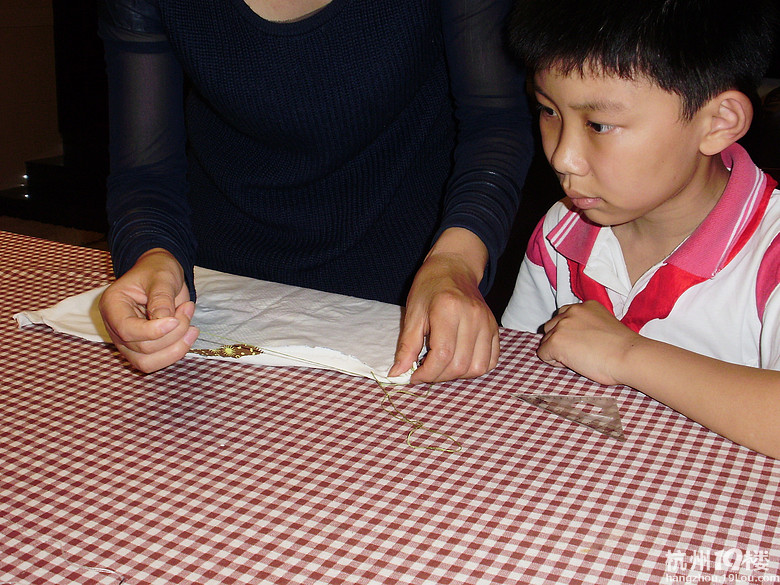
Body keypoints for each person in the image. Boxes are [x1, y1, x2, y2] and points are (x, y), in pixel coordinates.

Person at [96, 0, 534, 382]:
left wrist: (456, 260)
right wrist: (154, 253)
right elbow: (146, 170)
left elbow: (494, 122)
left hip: (404, 295)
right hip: (217, 298)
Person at [501, 0, 780, 457]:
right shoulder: (561, 228)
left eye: (599, 124)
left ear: (718, 123)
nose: (561, 157)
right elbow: (522, 370)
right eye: (549, 111)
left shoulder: (771, 252)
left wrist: (624, 354)